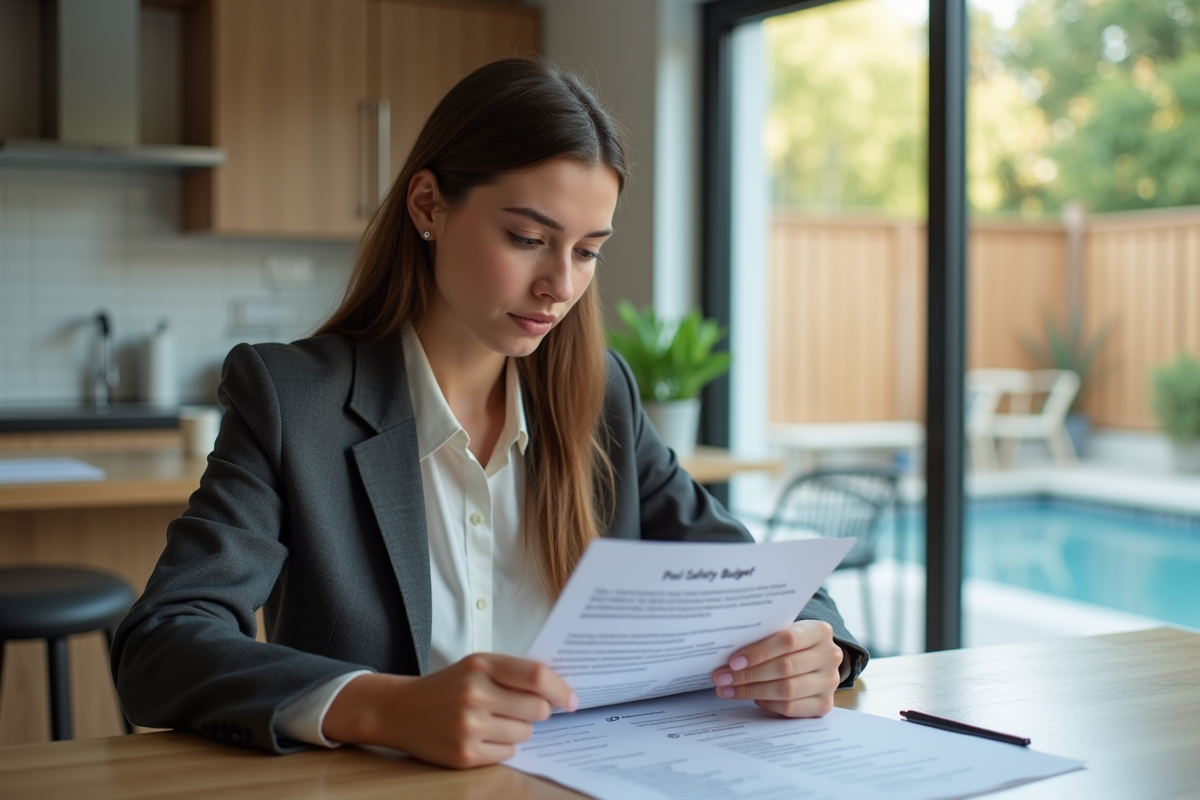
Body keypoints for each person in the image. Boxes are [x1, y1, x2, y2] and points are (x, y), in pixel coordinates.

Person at [111, 58, 868, 769]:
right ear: (429, 206)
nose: (559, 286)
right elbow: (163, 644)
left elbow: (749, 574)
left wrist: (815, 645)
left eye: (587, 251)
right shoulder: (294, 401)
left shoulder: (601, 396)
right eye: (528, 239)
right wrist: (382, 707)